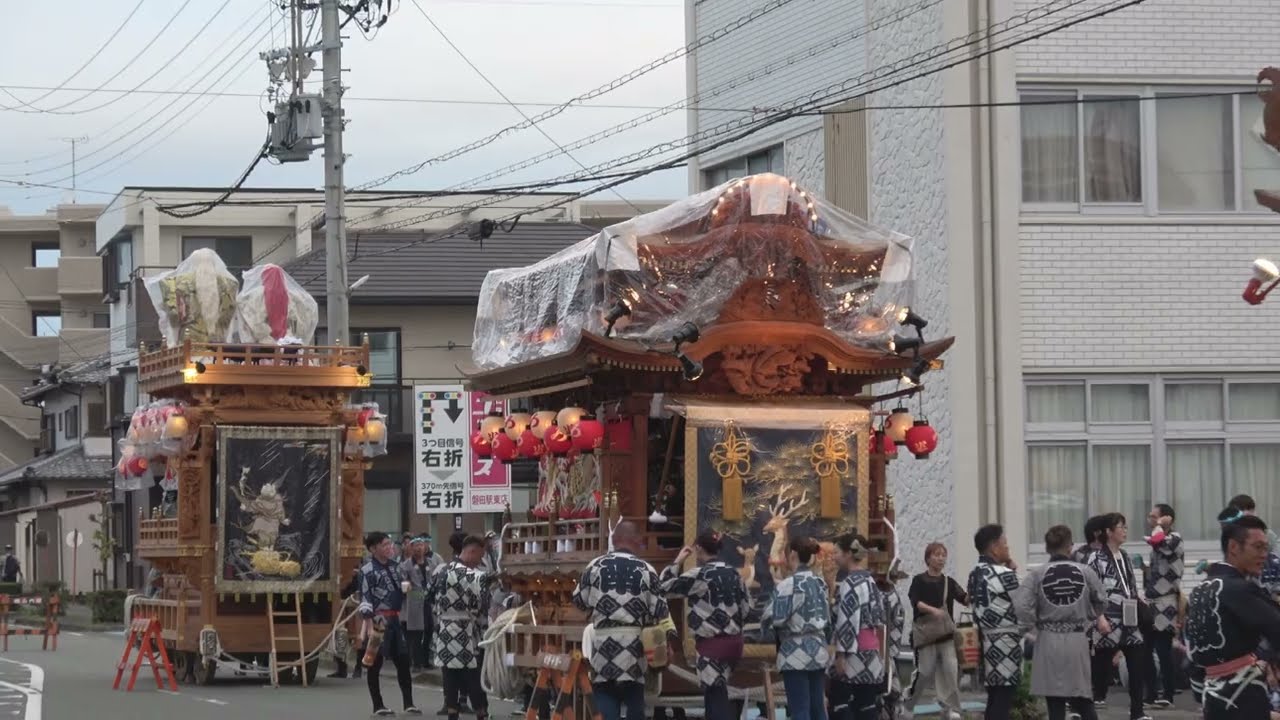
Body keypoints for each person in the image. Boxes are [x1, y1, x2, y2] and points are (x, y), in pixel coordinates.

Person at [572, 520, 674, 720]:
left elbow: (579, 601)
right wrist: (668, 642)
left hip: (603, 644)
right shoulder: (647, 570)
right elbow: (661, 611)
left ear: (615, 540)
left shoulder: (595, 565)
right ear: (636, 541)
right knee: (635, 699)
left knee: (605, 696)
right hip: (634, 647)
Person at [1185, 511, 1280, 719]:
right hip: (1243, 695)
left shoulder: (1201, 589)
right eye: (1257, 547)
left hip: (1211, 695)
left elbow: (1192, 652)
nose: (1264, 555)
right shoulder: (1238, 589)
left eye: (1266, 548)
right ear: (1234, 547)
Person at [1014, 524, 1106, 720]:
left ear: (1047, 548)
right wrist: (1088, 615)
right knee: (1083, 698)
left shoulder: (1036, 575)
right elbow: (1101, 600)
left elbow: (1021, 606)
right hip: (1076, 638)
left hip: (1047, 639)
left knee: (1054, 702)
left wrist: (1031, 625)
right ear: (1069, 547)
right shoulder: (1085, 572)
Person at [658, 531, 749, 720]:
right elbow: (747, 608)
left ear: (698, 548)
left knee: (715, 695)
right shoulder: (734, 574)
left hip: (711, 644)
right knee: (717, 690)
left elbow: (662, 588)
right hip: (734, 642)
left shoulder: (699, 575)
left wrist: (678, 561)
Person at [1086, 513, 1149, 720]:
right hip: (1109, 620)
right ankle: (1085, 705)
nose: (1124, 531)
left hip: (1130, 619)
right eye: (1120, 527)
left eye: (1125, 526)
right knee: (1100, 671)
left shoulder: (1125, 556)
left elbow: (1130, 584)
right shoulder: (1096, 558)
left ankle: (1137, 712)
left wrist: (1139, 597)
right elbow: (1091, 591)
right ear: (1108, 532)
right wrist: (1099, 617)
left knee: (1137, 665)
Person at [426, 534, 495, 720]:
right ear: (471, 551)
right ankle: (481, 712)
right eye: (479, 556)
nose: (480, 561)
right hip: (465, 629)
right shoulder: (471, 575)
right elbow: (485, 601)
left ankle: (452, 713)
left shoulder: (440, 571)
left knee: (450, 675)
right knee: (472, 673)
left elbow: (428, 595)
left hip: (444, 628)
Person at [762, 536, 831, 720]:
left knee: (800, 709)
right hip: (818, 649)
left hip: (794, 652)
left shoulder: (787, 585)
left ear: (793, 554)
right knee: (818, 707)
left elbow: (774, 618)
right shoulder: (821, 584)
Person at [358, 531, 422, 716]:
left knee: (403, 660)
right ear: (373, 548)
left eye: (390, 544)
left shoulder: (397, 567)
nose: (389, 548)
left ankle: (409, 703)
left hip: (395, 618)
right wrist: (369, 626)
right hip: (378, 620)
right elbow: (365, 598)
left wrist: (408, 587)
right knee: (374, 662)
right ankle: (378, 705)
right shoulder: (367, 570)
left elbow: (410, 589)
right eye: (384, 545)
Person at [967, 524, 1024, 720]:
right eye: (1005, 543)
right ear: (994, 547)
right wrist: (1014, 571)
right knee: (1003, 697)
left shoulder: (974, 573)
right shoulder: (1004, 574)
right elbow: (1024, 607)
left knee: (994, 696)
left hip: (985, 640)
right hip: (1006, 641)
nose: (1008, 548)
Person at [908, 542, 969, 720]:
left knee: (951, 670)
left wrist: (973, 589)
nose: (941, 558)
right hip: (926, 634)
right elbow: (915, 601)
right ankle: (909, 703)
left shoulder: (949, 582)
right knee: (924, 672)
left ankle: (951, 707)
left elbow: (964, 599)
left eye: (943, 555)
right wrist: (933, 610)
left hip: (946, 635)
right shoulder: (919, 580)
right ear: (928, 558)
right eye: (937, 554)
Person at [829, 533, 885, 720]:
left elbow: (847, 621)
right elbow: (879, 617)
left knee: (841, 703)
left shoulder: (850, 583)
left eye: (836, 552)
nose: (834, 556)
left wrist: (841, 654)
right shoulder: (870, 581)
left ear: (847, 554)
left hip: (854, 652)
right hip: (871, 650)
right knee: (866, 704)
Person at [1141, 504, 1182, 709]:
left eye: (1155, 516)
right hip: (1152, 601)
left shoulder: (1174, 538)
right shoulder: (1158, 542)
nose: (1151, 520)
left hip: (1166, 601)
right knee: (1147, 648)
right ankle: (1151, 693)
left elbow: (1158, 541)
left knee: (1163, 649)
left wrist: (1160, 526)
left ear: (1168, 518)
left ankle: (1168, 693)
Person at [400, 537, 430, 672]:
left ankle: (425, 660)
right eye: (416, 545)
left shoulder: (430, 563)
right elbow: (404, 587)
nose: (419, 548)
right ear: (411, 548)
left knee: (429, 631)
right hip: (413, 603)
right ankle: (415, 662)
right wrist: (417, 593)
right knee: (415, 634)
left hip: (429, 602)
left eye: (421, 545)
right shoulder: (406, 565)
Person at [329, 566, 363, 679]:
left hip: (356, 606)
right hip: (340, 605)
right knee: (339, 635)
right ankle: (341, 668)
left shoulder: (360, 575)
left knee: (359, 637)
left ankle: (359, 667)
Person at [421, 536, 443, 669]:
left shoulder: (435, 559)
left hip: (431, 600)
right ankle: (420, 659)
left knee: (431, 629)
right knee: (421, 631)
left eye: (425, 543)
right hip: (420, 600)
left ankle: (429, 657)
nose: (423, 546)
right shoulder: (411, 562)